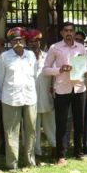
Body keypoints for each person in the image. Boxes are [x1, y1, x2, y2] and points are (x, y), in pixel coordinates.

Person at [43, 22, 87, 166]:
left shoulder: (81, 47)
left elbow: (85, 66)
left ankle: (78, 152)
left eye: (71, 31)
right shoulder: (55, 48)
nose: (69, 33)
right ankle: (61, 155)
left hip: (79, 88)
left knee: (79, 123)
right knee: (61, 123)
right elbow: (45, 70)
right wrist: (60, 69)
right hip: (62, 89)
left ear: (74, 32)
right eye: (66, 31)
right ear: (62, 33)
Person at [0, 27, 37, 170]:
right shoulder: (4, 57)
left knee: (31, 130)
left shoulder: (31, 55)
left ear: (25, 41)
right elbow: (1, 79)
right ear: (10, 42)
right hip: (11, 98)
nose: (18, 43)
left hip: (30, 97)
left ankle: (30, 161)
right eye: (15, 40)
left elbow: (34, 75)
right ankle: (12, 163)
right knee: (11, 132)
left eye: (20, 40)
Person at [26, 29, 55, 159]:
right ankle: (35, 152)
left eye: (36, 41)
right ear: (27, 43)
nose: (34, 44)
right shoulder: (25, 58)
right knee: (33, 128)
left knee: (51, 125)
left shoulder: (48, 56)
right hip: (30, 99)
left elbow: (54, 75)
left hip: (47, 97)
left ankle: (55, 147)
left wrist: (54, 88)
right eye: (31, 41)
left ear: (40, 42)